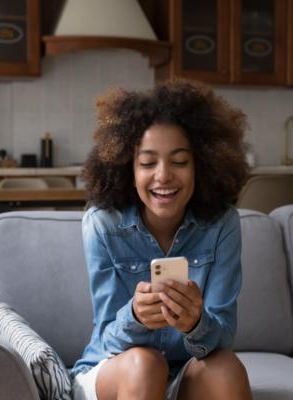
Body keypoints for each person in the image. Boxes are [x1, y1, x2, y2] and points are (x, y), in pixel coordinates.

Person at [71, 80, 252, 400]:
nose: (164, 175)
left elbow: (222, 338)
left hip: (185, 372)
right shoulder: (102, 225)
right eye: (148, 162)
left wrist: (196, 322)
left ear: (202, 165)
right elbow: (107, 339)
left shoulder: (222, 224)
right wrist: (137, 317)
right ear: (129, 168)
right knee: (145, 364)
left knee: (227, 369)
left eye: (179, 161)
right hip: (116, 370)